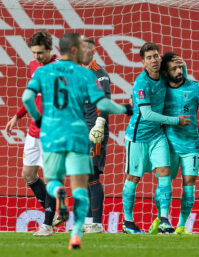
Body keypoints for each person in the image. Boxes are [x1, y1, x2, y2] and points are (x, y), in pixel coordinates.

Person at [22, 32, 132, 250]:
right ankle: (76, 235)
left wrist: (39, 119)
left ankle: (60, 195)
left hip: (52, 134)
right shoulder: (84, 75)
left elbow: (27, 98)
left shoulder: (43, 71)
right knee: (81, 185)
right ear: (74, 50)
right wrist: (126, 109)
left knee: (53, 180)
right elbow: (105, 104)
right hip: (77, 134)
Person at [148, 52, 199, 235]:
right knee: (163, 184)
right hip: (167, 145)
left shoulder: (194, 87)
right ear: (166, 72)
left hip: (191, 145)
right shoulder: (161, 89)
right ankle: (161, 218)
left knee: (189, 186)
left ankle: (182, 226)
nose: (179, 71)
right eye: (174, 68)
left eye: (181, 67)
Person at [122, 42, 191, 234]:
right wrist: (175, 120)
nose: (154, 60)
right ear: (143, 62)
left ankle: (164, 219)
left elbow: (180, 80)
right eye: (149, 58)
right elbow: (147, 115)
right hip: (137, 137)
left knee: (165, 174)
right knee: (133, 178)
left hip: (157, 135)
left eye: (156, 56)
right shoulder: (141, 83)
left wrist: (183, 67)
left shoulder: (163, 75)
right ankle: (128, 221)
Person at [5, 30, 61, 236]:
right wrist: (17, 116)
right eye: (34, 53)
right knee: (28, 174)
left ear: (50, 50)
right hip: (33, 131)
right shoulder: (33, 66)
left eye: (40, 53)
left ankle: (47, 224)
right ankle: (55, 211)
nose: (36, 56)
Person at [81, 37, 111, 233]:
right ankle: (88, 221)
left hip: (95, 131)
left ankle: (97, 223)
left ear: (92, 51)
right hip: (81, 131)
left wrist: (99, 124)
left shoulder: (99, 73)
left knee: (92, 175)